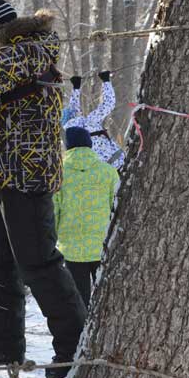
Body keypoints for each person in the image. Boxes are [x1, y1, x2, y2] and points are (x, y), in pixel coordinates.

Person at [0, 0, 87, 378]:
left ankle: (74, 344)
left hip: (25, 177)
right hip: (4, 176)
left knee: (38, 263)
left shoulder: (26, 51)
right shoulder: (17, 56)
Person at [53, 127, 119, 308]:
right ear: (90, 144)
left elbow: (53, 211)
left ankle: (81, 333)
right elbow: (116, 207)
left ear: (67, 146)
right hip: (102, 245)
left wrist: (52, 240)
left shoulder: (59, 174)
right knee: (105, 300)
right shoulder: (108, 172)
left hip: (70, 248)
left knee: (78, 301)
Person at [63, 71, 126, 168]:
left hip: (100, 172)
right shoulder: (89, 122)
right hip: (118, 161)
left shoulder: (68, 137)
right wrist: (106, 81)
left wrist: (76, 88)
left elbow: (73, 110)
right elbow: (108, 104)